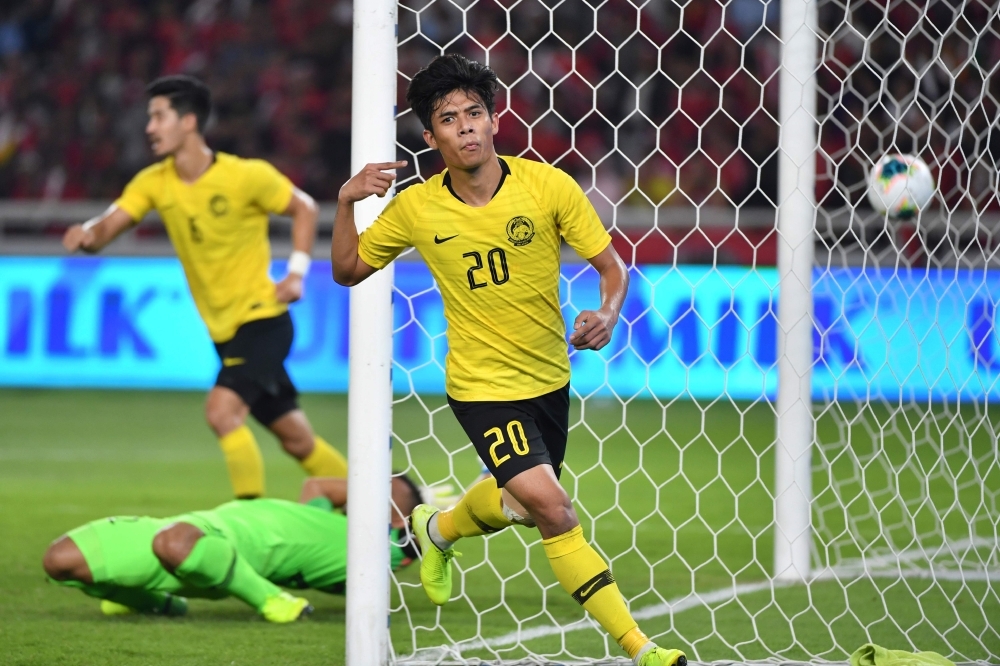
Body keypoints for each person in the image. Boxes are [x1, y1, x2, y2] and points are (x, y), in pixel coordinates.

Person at [331, 54, 686, 666]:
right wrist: (344, 202)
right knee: (553, 508)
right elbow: (347, 269)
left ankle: (435, 531)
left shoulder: (548, 187)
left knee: (522, 504)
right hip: (480, 388)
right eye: (449, 118)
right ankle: (642, 648)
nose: (465, 127)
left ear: (494, 121)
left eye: (475, 113)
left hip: (548, 380)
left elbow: (611, 268)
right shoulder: (416, 208)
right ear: (430, 135)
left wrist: (606, 313)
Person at [61, 75, 346, 499]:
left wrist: (296, 272)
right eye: (150, 118)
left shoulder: (244, 175)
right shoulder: (153, 182)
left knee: (221, 412)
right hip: (225, 335)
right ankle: (390, 501)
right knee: (297, 440)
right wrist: (86, 234)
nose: (149, 128)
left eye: (159, 117)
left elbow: (304, 208)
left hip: (263, 322)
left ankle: (246, 521)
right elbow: (109, 225)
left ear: (189, 121)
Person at [42, 474, 422, 622]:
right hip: (200, 522)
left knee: (174, 543)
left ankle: (273, 601)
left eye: (386, 492)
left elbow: (431, 536)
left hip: (224, 546)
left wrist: (422, 513)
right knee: (58, 561)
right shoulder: (322, 513)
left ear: (399, 521)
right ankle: (151, 601)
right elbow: (317, 485)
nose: (373, 490)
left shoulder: (377, 548)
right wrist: (373, 482)